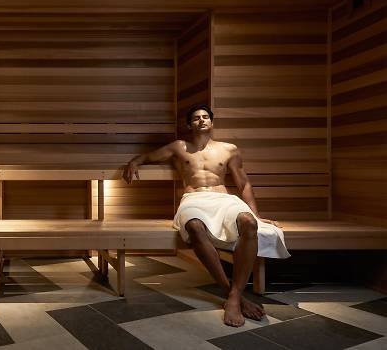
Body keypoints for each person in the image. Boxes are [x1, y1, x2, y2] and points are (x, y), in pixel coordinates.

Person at [122, 104, 290, 327]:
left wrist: (256, 215)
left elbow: (243, 183)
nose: (201, 120)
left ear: (211, 122)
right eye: (196, 118)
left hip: (223, 199)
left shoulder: (229, 149)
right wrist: (134, 162)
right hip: (194, 200)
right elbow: (147, 157)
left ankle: (234, 296)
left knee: (249, 224)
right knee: (194, 227)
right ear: (189, 124)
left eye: (205, 117)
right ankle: (232, 294)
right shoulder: (179, 147)